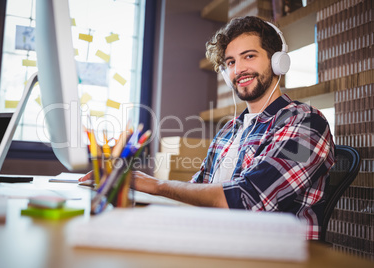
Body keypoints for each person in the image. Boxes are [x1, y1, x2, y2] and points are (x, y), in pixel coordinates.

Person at [81, 16, 335, 240]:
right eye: (231, 62)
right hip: (219, 241)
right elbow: (195, 191)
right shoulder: (229, 131)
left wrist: (153, 185)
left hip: (276, 253)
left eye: (249, 56)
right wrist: (124, 183)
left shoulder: (306, 123)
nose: (238, 69)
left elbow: (245, 199)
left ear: (277, 61)